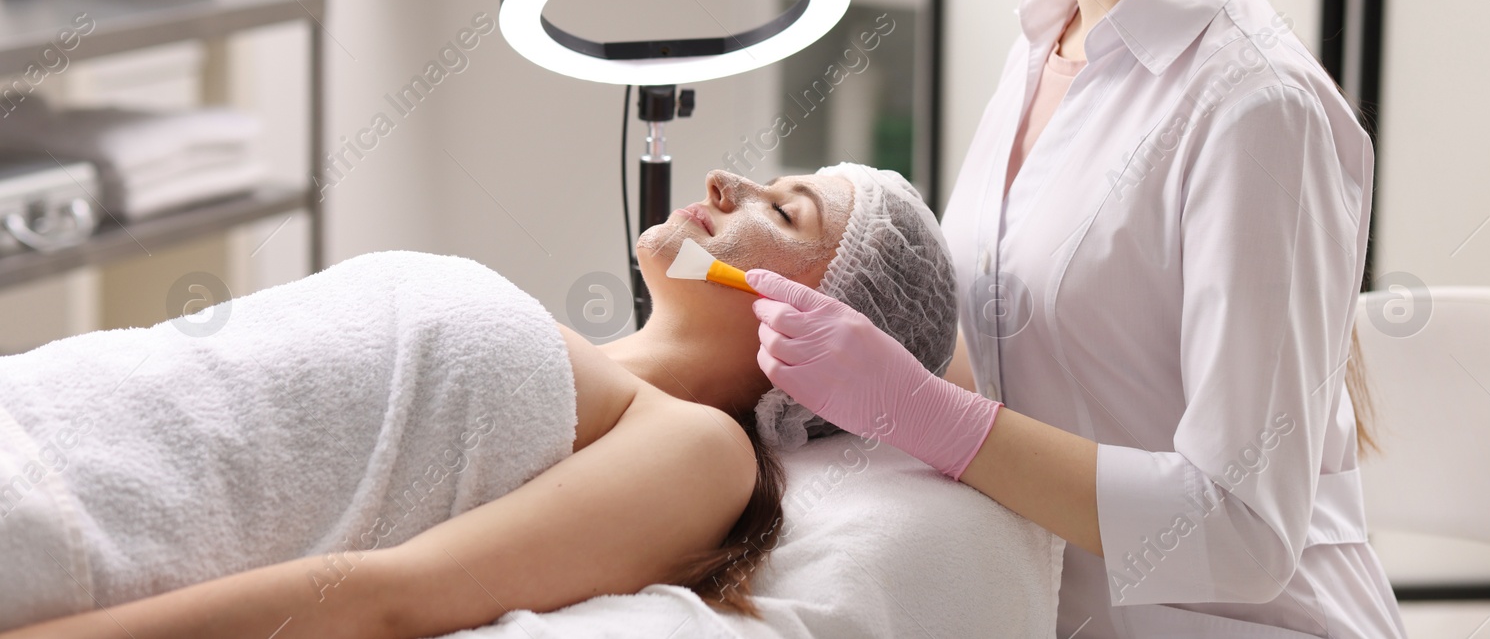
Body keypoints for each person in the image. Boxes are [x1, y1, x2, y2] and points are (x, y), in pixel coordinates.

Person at [748, 0, 1409, 638]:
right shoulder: (1042, 44)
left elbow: (1244, 526)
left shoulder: (1255, 107)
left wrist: (922, 410)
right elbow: (1031, 370)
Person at [0, 163, 957, 638]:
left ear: (818, 335)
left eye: (785, 211)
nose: (726, 180)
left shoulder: (699, 450)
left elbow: (389, 599)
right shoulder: (578, 358)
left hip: (72, 515)